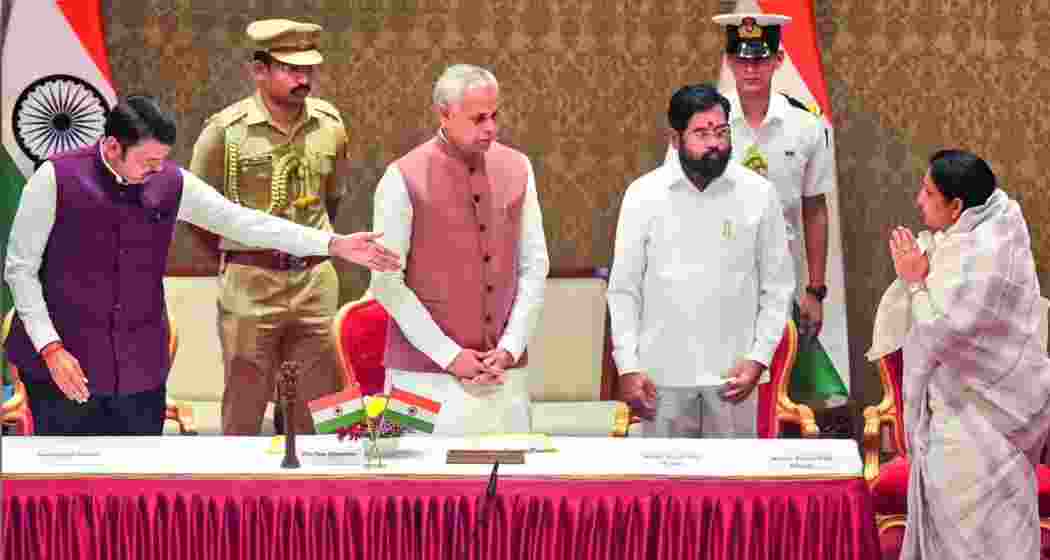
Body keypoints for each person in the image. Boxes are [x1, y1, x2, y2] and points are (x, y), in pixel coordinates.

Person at [3, 95, 399, 436]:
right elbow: (20, 269)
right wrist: (50, 348)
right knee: (70, 492)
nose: (158, 170)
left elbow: (244, 222)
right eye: (147, 161)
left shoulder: (170, 181)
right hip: (64, 367)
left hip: (141, 369)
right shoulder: (55, 178)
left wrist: (332, 244)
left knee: (135, 491)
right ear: (111, 148)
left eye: (163, 159)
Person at [869, 150, 1050, 559]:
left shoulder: (988, 249)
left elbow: (948, 332)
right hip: (952, 412)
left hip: (985, 425)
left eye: (927, 192)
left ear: (956, 207)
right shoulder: (976, 232)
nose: (918, 200)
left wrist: (916, 282)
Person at [188, 19, 351, 435]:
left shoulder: (330, 126)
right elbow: (197, 212)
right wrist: (239, 255)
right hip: (251, 283)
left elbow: (331, 200)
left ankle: (314, 499)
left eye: (309, 69)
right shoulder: (225, 132)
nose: (303, 78)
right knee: (244, 407)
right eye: (290, 69)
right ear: (259, 70)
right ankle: (239, 500)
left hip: (314, 282)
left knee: (319, 411)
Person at [370, 64, 549, 435]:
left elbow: (534, 266)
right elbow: (387, 283)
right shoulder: (401, 177)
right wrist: (450, 356)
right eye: (478, 118)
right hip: (419, 378)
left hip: (503, 377)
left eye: (494, 115)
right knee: (417, 490)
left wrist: (510, 348)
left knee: (509, 487)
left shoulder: (519, 167)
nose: (491, 128)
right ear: (444, 114)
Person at [609, 84, 793, 438]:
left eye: (722, 132)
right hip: (660, 380)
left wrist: (759, 358)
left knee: (734, 490)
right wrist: (628, 367)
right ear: (675, 139)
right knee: (667, 492)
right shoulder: (643, 195)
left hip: (733, 381)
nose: (715, 143)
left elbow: (778, 287)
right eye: (702, 133)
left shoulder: (759, 194)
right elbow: (623, 290)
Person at [667, 13, 833, 343]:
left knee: (773, 381)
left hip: (778, 277)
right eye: (741, 60)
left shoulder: (806, 127)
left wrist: (815, 290)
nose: (751, 69)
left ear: (779, 59)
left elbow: (814, 209)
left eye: (760, 59)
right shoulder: (704, 123)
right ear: (728, 61)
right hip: (709, 276)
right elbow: (676, 199)